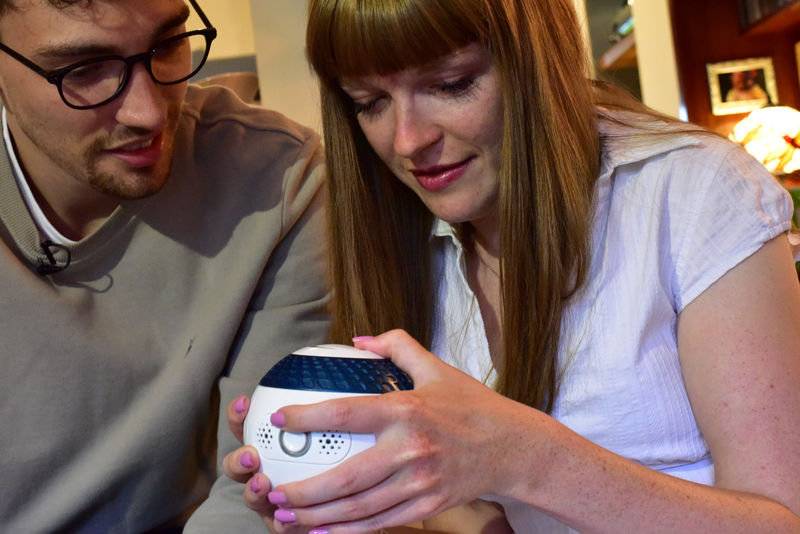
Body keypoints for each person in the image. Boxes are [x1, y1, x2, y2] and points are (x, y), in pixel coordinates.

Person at [223, 0, 800, 532]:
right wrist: (354, 500)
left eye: (451, 84)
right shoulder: (396, 235)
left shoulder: (694, 192)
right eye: (368, 103)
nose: (407, 141)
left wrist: (522, 458)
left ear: (534, 60)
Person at [0, 0, 330, 532]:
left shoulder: (277, 181)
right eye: (83, 70)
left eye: (168, 44)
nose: (148, 113)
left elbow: (263, 486)